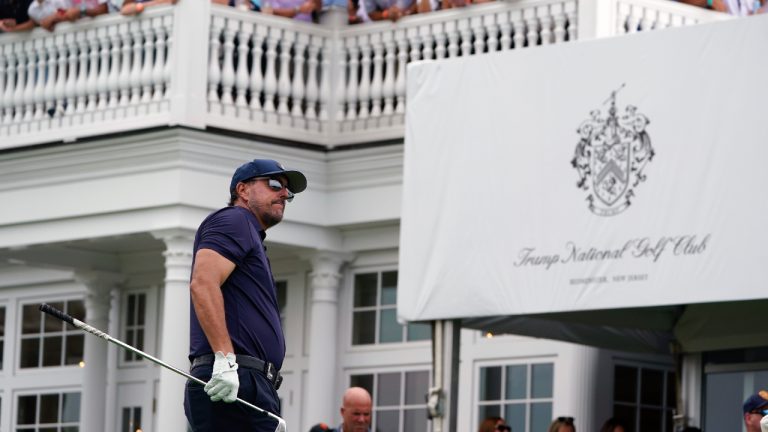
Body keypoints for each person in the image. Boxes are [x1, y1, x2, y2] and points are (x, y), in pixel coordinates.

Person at [183, 159, 307, 432]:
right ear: (243, 190)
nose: (284, 194)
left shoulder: (249, 232)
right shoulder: (234, 220)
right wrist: (226, 360)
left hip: (249, 381)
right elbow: (203, 284)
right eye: (275, 184)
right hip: (234, 375)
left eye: (288, 190)